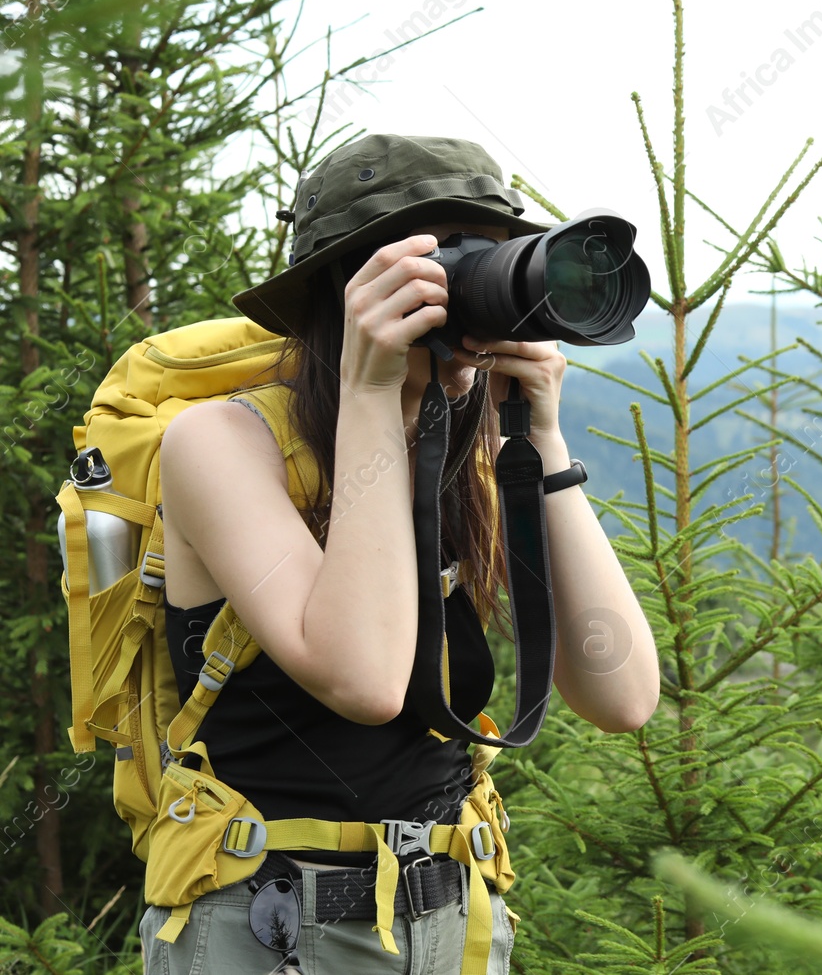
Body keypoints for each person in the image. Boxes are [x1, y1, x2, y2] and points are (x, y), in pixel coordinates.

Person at [137, 134, 659, 974]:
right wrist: (374, 389)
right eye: (434, 259)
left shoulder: (469, 455)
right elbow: (368, 680)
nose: (460, 291)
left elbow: (622, 692)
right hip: (269, 933)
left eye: (484, 260)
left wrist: (544, 440)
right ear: (342, 290)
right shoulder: (221, 442)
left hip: (453, 920)